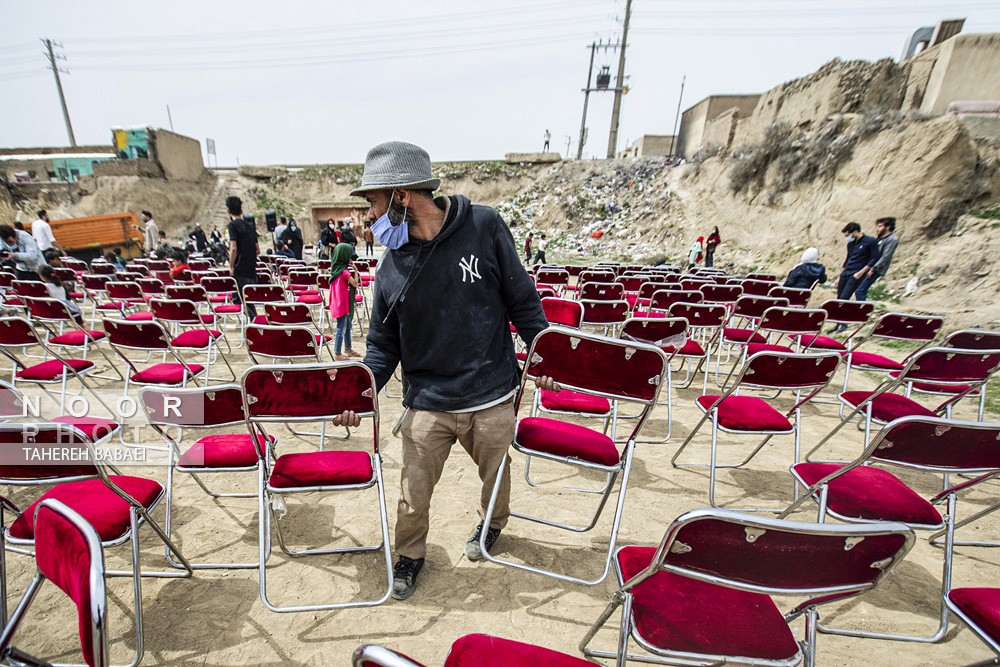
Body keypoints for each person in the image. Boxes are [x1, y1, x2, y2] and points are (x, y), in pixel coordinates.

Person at [333, 141, 548, 601]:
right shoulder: (391, 266)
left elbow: (524, 302)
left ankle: (492, 524)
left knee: (496, 476)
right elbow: (381, 346)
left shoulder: (484, 226)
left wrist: (546, 356)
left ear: (401, 196)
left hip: (492, 393)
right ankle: (410, 555)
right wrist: (360, 392)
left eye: (371, 203)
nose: (368, 217)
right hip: (428, 401)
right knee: (413, 491)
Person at [830, 221, 879, 333]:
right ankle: (838, 323)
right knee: (839, 299)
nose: (847, 238)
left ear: (855, 232)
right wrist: (840, 276)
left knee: (844, 299)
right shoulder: (851, 244)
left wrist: (862, 272)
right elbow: (847, 259)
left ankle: (843, 323)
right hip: (846, 273)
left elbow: (875, 258)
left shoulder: (870, 241)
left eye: (848, 235)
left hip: (856, 274)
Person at [226, 196, 260, 318]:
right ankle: (254, 323)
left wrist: (231, 266)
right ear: (241, 211)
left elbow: (233, 247)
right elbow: (258, 249)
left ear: (228, 211)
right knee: (249, 300)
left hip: (239, 268)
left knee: (239, 299)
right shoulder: (250, 226)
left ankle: (254, 323)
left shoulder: (232, 226)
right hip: (251, 268)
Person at [328, 242, 360, 360]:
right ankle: (337, 352)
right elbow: (355, 283)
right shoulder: (344, 272)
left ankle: (348, 348)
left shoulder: (335, 270)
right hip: (343, 305)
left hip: (338, 303)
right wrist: (355, 270)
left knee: (348, 326)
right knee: (341, 328)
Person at [855, 217, 899, 302]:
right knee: (859, 289)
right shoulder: (881, 238)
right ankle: (861, 310)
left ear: (888, 227)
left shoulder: (892, 239)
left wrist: (873, 269)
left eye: (880, 226)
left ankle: (861, 312)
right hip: (868, 266)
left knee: (860, 291)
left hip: (875, 269)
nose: (877, 228)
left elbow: (886, 256)